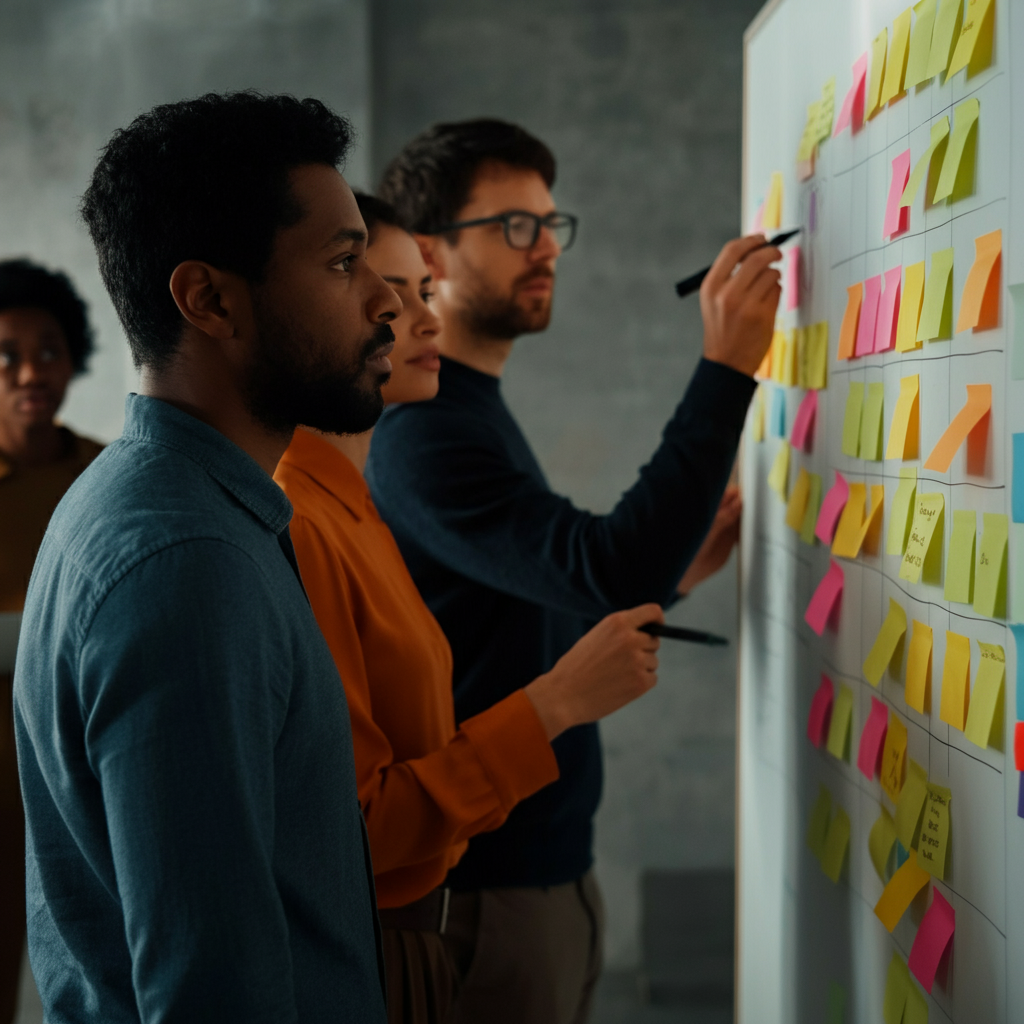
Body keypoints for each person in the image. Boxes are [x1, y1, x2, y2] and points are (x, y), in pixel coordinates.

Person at [370, 118, 780, 1024]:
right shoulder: (426, 435)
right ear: (428, 252)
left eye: (552, 225)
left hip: (539, 877)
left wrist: (670, 584)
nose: (546, 248)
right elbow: (602, 567)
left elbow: (531, 592)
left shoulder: (467, 410)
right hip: (490, 892)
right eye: (514, 227)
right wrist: (724, 369)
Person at [14, 92, 398, 1024]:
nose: (387, 297)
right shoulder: (187, 565)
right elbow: (211, 992)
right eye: (345, 263)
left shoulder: (155, 502)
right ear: (210, 298)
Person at [274, 192, 665, 1024]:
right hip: (390, 943)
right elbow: (358, 828)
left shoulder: (357, 502)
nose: (422, 317)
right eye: (390, 289)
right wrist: (554, 704)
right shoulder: (304, 520)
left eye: (422, 289)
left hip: (435, 923)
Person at [0, 259, 102, 1024]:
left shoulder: (106, 478)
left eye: (49, 349)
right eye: (5, 355)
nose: (30, 371)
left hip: (75, 759)